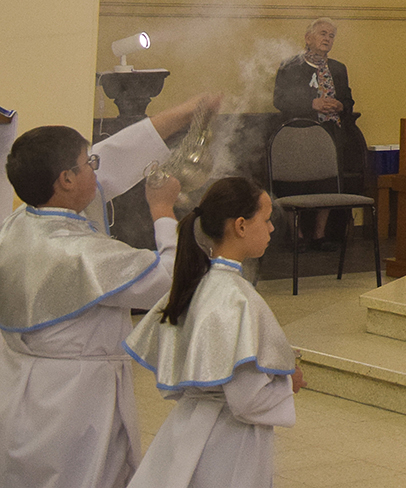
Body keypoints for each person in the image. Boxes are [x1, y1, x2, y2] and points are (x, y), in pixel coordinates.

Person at [0, 126, 182, 488]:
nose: (96, 172)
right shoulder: (84, 253)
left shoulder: (14, 226)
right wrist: (162, 210)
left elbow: (96, 182)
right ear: (66, 179)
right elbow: (171, 278)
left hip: (20, 389)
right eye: (89, 164)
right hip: (77, 401)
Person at [125, 177, 302, 487]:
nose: (272, 228)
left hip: (187, 426)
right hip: (228, 442)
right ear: (241, 226)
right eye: (266, 219)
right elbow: (247, 400)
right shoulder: (236, 298)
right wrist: (288, 383)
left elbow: (179, 382)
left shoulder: (194, 284)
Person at [272, 19, 363, 244]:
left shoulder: (338, 68)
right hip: (298, 133)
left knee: (329, 181)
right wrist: (312, 104)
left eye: (331, 36)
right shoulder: (290, 66)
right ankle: (297, 234)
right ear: (308, 37)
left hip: (330, 132)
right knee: (293, 181)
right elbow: (280, 100)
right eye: (323, 33)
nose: (327, 39)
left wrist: (340, 105)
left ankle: (320, 234)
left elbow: (348, 101)